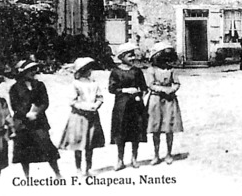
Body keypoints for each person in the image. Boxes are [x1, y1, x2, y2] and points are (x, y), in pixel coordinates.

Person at [9, 60, 61, 177]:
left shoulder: (40, 85)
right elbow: (15, 105)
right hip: (23, 123)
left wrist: (36, 112)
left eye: (34, 70)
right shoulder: (15, 88)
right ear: (23, 72)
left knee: (47, 147)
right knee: (24, 150)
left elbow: (45, 102)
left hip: (39, 121)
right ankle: (27, 176)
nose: (34, 72)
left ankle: (57, 173)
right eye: (30, 70)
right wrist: (26, 114)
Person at [58, 57, 105, 176]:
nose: (90, 71)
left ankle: (88, 168)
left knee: (90, 143)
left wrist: (96, 105)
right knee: (78, 143)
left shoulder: (94, 84)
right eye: (87, 68)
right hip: (79, 117)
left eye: (90, 68)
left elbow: (100, 97)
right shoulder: (75, 84)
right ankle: (78, 168)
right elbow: (72, 101)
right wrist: (85, 107)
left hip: (92, 116)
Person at [109, 42, 148, 171]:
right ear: (122, 57)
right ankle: (120, 160)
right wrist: (125, 90)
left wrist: (139, 95)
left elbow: (144, 88)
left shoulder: (137, 71)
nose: (132, 58)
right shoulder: (115, 72)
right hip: (121, 106)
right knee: (120, 132)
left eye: (133, 56)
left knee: (135, 131)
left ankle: (134, 158)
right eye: (130, 56)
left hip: (135, 106)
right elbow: (111, 88)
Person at [147, 42, 183, 165]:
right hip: (156, 100)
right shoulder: (151, 70)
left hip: (169, 100)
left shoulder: (171, 70)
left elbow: (177, 83)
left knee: (169, 127)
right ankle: (156, 155)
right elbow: (151, 84)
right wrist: (163, 89)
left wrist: (172, 89)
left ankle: (168, 153)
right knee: (156, 127)